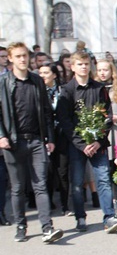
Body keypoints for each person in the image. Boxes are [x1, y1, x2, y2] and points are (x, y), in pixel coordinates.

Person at [0, 42, 62, 243]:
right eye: (18, 56)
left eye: (25, 56)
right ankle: (21, 225)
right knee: (17, 187)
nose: (22, 59)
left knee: (41, 185)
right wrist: (2, 136)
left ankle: (47, 227)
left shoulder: (36, 81)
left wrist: (49, 138)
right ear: (10, 58)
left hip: (36, 140)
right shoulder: (4, 82)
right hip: (13, 142)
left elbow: (46, 111)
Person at [57, 50, 117, 234]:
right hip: (77, 146)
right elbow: (65, 120)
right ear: (73, 67)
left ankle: (109, 217)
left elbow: (107, 116)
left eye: (87, 64)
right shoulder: (67, 90)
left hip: (98, 144)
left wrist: (98, 141)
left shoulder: (99, 88)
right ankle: (80, 217)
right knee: (78, 182)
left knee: (103, 179)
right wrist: (81, 144)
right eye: (80, 64)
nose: (84, 67)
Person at [39, 61, 70, 217]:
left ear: (54, 75)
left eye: (46, 73)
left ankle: (65, 204)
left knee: (62, 171)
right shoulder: (38, 91)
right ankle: (49, 202)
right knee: (47, 172)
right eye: (41, 73)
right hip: (45, 136)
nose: (43, 76)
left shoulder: (62, 91)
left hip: (62, 136)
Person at [96, 59, 117, 216]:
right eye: (99, 70)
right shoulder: (95, 88)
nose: (102, 73)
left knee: (116, 168)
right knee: (103, 169)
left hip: (116, 131)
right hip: (102, 133)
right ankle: (107, 204)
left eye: (105, 69)